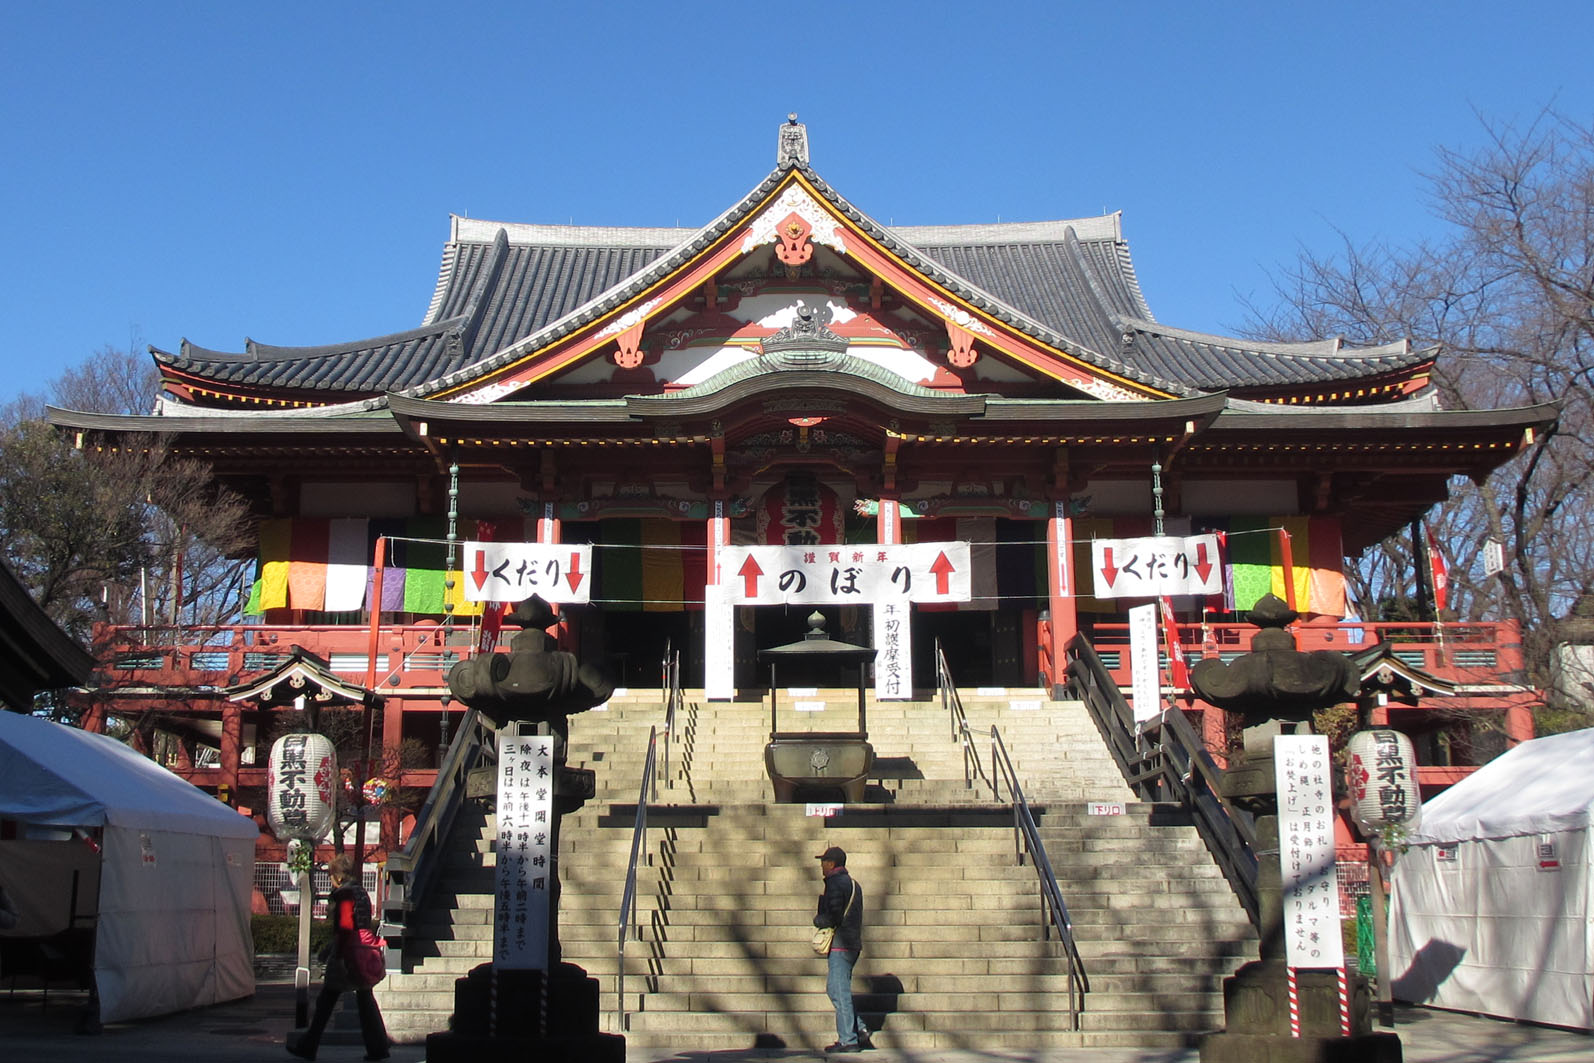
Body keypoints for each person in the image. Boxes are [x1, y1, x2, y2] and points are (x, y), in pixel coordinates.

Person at [287, 855, 390, 1061]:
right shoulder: (361, 892)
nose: (331, 880)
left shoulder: (344, 894)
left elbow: (344, 926)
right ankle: (378, 1047)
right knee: (365, 1000)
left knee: (327, 1000)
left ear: (339, 876)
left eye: (331, 875)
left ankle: (309, 1044)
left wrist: (338, 955)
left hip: (347, 951)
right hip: (363, 949)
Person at [813, 845, 871, 1053]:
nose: (821, 866)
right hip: (852, 943)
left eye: (823, 862)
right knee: (835, 989)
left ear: (832, 864)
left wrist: (819, 919)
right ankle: (861, 1030)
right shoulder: (853, 884)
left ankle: (848, 1040)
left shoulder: (836, 884)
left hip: (841, 945)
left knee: (839, 990)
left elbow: (834, 915)